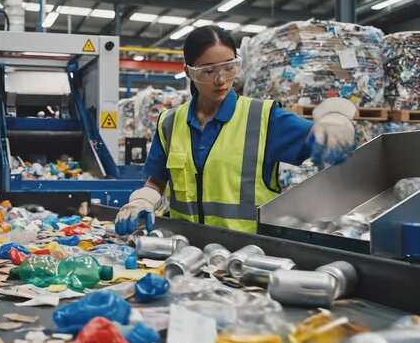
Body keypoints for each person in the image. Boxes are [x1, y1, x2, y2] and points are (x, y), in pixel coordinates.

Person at [115, 25, 356, 234]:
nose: (221, 79)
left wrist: (335, 118)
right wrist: (142, 201)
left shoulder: (263, 118)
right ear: (189, 71)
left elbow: (316, 139)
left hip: (247, 254)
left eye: (229, 67)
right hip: (185, 250)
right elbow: (156, 181)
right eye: (208, 71)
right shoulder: (169, 123)